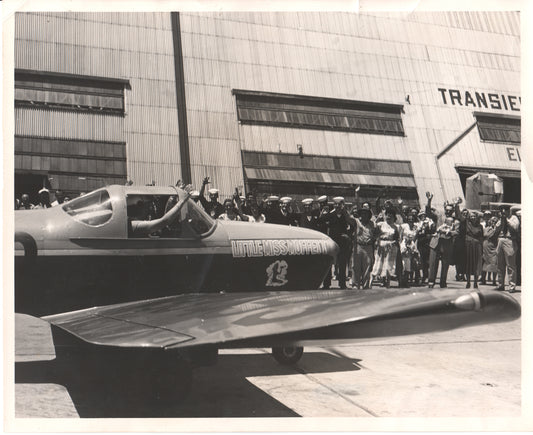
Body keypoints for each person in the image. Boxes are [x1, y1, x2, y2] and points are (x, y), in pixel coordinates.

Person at [320, 196, 355, 289]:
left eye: (339, 204)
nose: (337, 206)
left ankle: (342, 283)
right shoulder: (331, 214)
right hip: (332, 241)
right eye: (335, 204)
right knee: (329, 261)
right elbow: (321, 221)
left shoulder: (346, 215)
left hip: (343, 242)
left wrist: (348, 234)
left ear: (343, 205)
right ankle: (326, 284)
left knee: (342, 263)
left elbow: (352, 225)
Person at [370, 208, 399, 288]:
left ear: (393, 217)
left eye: (391, 216)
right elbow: (373, 230)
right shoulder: (380, 224)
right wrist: (377, 241)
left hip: (390, 247)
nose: (388, 217)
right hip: (381, 245)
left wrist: (393, 242)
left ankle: (388, 283)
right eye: (387, 215)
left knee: (388, 265)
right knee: (377, 264)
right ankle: (370, 282)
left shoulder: (396, 227)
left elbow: (397, 239)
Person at [495, 204, 520, 292]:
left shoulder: (514, 218)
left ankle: (512, 286)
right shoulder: (501, 218)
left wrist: (506, 220)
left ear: (509, 210)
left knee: (511, 265)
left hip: (510, 240)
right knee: (500, 265)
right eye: (502, 210)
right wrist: (501, 220)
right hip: (501, 240)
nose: (504, 212)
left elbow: (515, 228)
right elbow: (496, 229)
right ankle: (500, 284)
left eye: (505, 210)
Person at [428, 216, 457, 288]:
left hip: (447, 245)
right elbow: (429, 213)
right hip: (435, 244)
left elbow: (457, 232)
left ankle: (443, 282)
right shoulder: (438, 217)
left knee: (445, 264)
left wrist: (447, 232)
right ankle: (431, 281)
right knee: (433, 263)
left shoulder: (455, 221)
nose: (448, 211)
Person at [352, 202, 375, 289]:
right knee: (356, 266)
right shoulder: (356, 222)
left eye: (366, 213)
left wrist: (373, 239)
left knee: (367, 266)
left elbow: (378, 232)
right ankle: (355, 285)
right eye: (362, 213)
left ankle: (366, 286)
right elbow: (348, 218)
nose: (364, 215)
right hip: (358, 246)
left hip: (368, 247)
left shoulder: (372, 224)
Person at [464, 210, 483, 289]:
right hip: (468, 245)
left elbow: (481, 237)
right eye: (471, 216)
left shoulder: (480, 226)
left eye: (474, 216)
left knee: (476, 264)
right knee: (468, 263)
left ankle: (475, 282)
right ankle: (468, 282)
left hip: (477, 245)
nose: (473, 218)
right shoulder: (466, 224)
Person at [399, 213, 420, 287]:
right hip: (403, 245)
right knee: (403, 264)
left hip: (411, 246)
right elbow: (400, 236)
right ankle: (401, 281)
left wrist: (412, 246)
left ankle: (406, 281)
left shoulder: (416, 227)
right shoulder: (404, 226)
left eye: (412, 220)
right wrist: (402, 246)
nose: (410, 221)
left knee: (409, 264)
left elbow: (415, 238)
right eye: (409, 219)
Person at [416, 210, 434, 285]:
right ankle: (421, 276)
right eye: (421, 216)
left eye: (424, 215)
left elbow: (432, 230)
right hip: (420, 242)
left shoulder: (430, 222)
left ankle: (428, 276)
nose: (423, 217)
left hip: (427, 243)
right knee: (421, 260)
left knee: (427, 261)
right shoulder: (417, 223)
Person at [482, 216, 499, 286]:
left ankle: (494, 280)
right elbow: (485, 235)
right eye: (492, 221)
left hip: (494, 246)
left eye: (495, 221)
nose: (493, 223)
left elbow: (496, 236)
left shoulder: (498, 230)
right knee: (485, 262)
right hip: (486, 246)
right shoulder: (486, 229)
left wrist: (495, 229)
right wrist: (492, 230)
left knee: (494, 263)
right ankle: (483, 280)